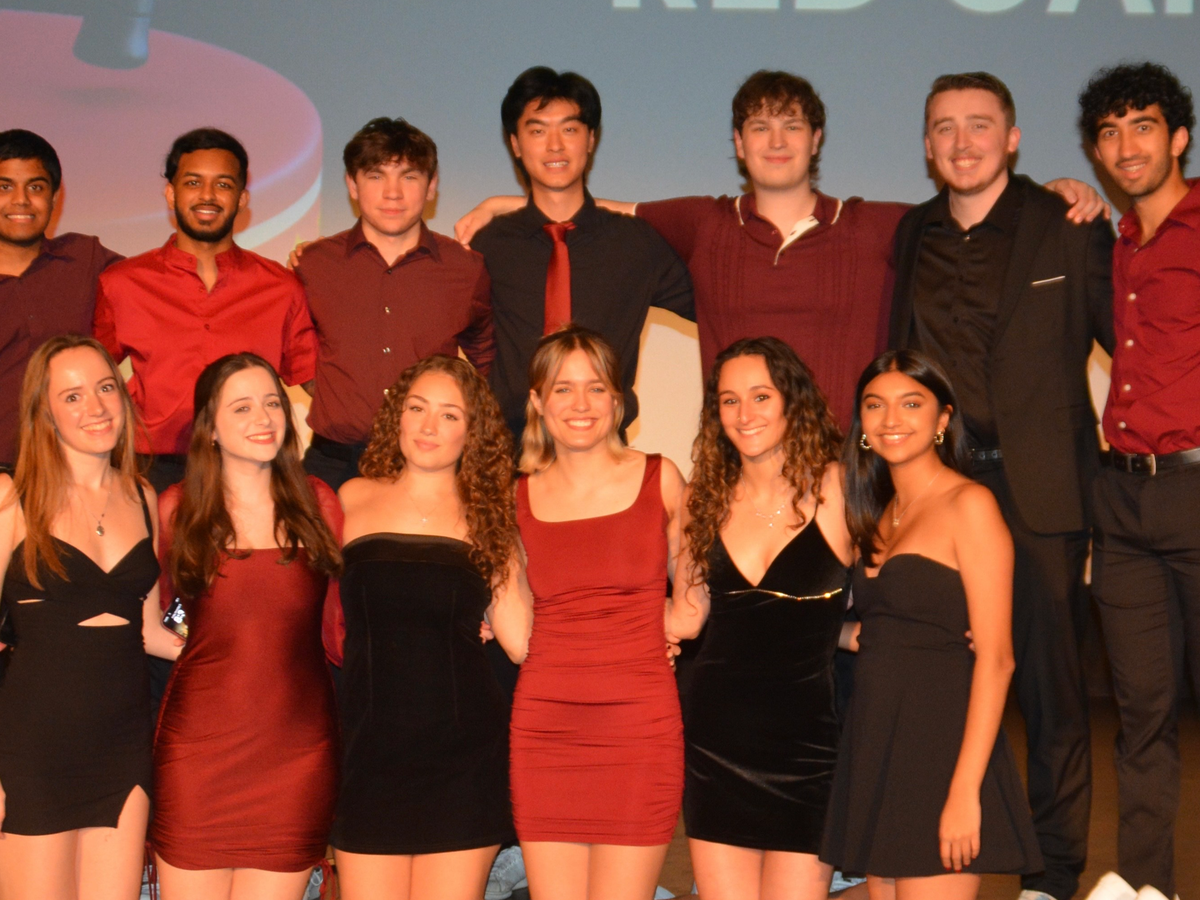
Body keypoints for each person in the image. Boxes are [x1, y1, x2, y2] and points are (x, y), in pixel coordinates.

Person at [456, 71, 1107, 430]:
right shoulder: (703, 224)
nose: (776, 141)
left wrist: (1053, 190)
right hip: (735, 468)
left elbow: (971, 205)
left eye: (791, 125)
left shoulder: (876, 226)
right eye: (760, 127)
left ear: (816, 139)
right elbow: (601, 208)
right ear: (738, 145)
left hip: (848, 470)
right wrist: (505, 205)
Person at [888, 72, 1115, 900]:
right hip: (939, 492)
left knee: (1053, 693)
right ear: (926, 145)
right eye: (944, 127)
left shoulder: (1068, 224)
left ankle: (1050, 875)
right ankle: (928, 851)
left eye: (979, 125)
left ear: (1012, 138)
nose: (962, 142)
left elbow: (1129, 342)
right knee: (935, 683)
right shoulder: (911, 233)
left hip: (1042, 494)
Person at [820, 349, 1042, 900]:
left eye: (911, 403)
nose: (891, 419)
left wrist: (965, 790)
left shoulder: (970, 504)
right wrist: (830, 633)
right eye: (875, 405)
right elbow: (877, 632)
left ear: (943, 418)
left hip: (942, 745)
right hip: (876, 739)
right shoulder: (876, 513)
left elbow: (997, 659)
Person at [328, 354, 531, 900]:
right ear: (397, 414)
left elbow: (522, 643)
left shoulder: (491, 516)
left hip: (463, 759)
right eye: (417, 408)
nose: (428, 425)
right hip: (369, 755)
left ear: (473, 432)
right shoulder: (348, 499)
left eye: (449, 415)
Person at [666, 336, 854, 900]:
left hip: (808, 748)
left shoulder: (839, 487)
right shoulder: (702, 498)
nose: (744, 414)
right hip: (715, 744)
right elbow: (686, 617)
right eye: (729, 401)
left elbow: (896, 585)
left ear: (792, 400)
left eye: (761, 396)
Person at [151, 353, 342, 900]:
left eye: (272, 403)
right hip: (198, 755)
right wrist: (211, 643)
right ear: (209, 427)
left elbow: (343, 622)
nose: (263, 417)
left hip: (296, 757)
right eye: (241, 407)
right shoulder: (177, 509)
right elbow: (171, 612)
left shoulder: (318, 503)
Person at [0, 334, 181, 899]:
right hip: (32, 751)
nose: (97, 407)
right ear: (44, 412)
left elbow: (150, 631)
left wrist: (236, 642)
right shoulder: (10, 500)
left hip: (123, 749)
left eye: (106, 388)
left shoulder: (142, 496)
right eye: (73, 396)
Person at [1077, 61, 1199, 900]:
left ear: (1179, 138)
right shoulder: (1115, 242)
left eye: (1143, 127)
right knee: (1141, 714)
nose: (1126, 147)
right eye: (1110, 133)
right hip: (1122, 500)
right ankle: (1149, 885)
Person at [511, 326, 684, 899]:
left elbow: (695, 605)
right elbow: (516, 631)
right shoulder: (515, 498)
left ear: (618, 399)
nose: (580, 404)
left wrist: (651, 625)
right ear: (538, 402)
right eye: (562, 389)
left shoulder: (661, 478)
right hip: (545, 731)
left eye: (596, 387)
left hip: (639, 729)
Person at [469, 67, 694, 441]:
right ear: (515, 144)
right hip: (507, 453)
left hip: (604, 452)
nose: (555, 145)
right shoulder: (489, 245)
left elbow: (720, 305)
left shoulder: (635, 244)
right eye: (537, 131)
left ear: (591, 139)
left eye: (570, 129)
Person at [93, 127, 317, 494]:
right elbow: (91, 376)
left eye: (223, 184)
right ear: (171, 193)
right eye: (193, 182)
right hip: (152, 471)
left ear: (242, 198)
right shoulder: (122, 284)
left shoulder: (280, 287)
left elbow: (314, 379)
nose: (208, 195)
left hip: (253, 470)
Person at [295, 117, 494, 490]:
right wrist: (333, 394)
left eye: (409, 177)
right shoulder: (314, 265)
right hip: (333, 463)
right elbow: (292, 349)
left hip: (429, 464)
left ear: (431, 186)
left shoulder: (466, 270)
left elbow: (487, 362)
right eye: (376, 176)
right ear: (352, 185)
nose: (393, 193)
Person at [0, 130, 122, 467]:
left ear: (55, 197)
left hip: (81, 472)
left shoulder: (86, 258)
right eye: (4, 187)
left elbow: (163, 286)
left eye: (36, 187)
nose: (21, 200)